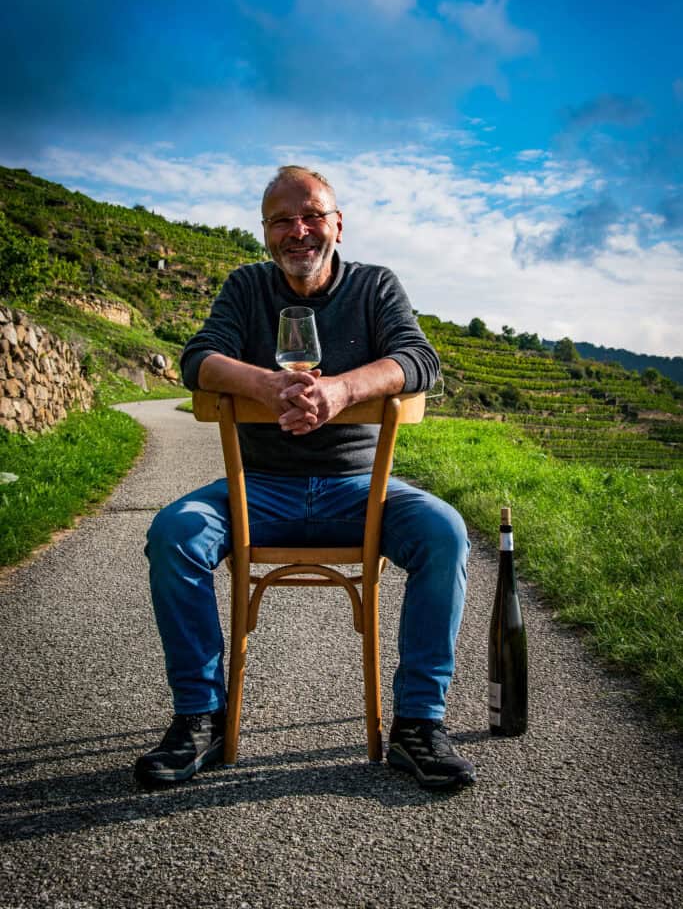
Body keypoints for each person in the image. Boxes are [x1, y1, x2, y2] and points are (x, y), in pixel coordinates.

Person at [135, 165, 475, 792]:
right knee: (174, 533)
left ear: (337, 224)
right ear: (265, 232)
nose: (299, 230)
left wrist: (342, 390)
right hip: (257, 489)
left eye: (313, 214)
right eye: (282, 220)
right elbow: (197, 357)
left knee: (446, 533)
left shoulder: (375, 286)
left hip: (359, 491)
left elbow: (420, 360)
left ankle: (419, 726)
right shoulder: (246, 287)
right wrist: (267, 384)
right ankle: (198, 719)